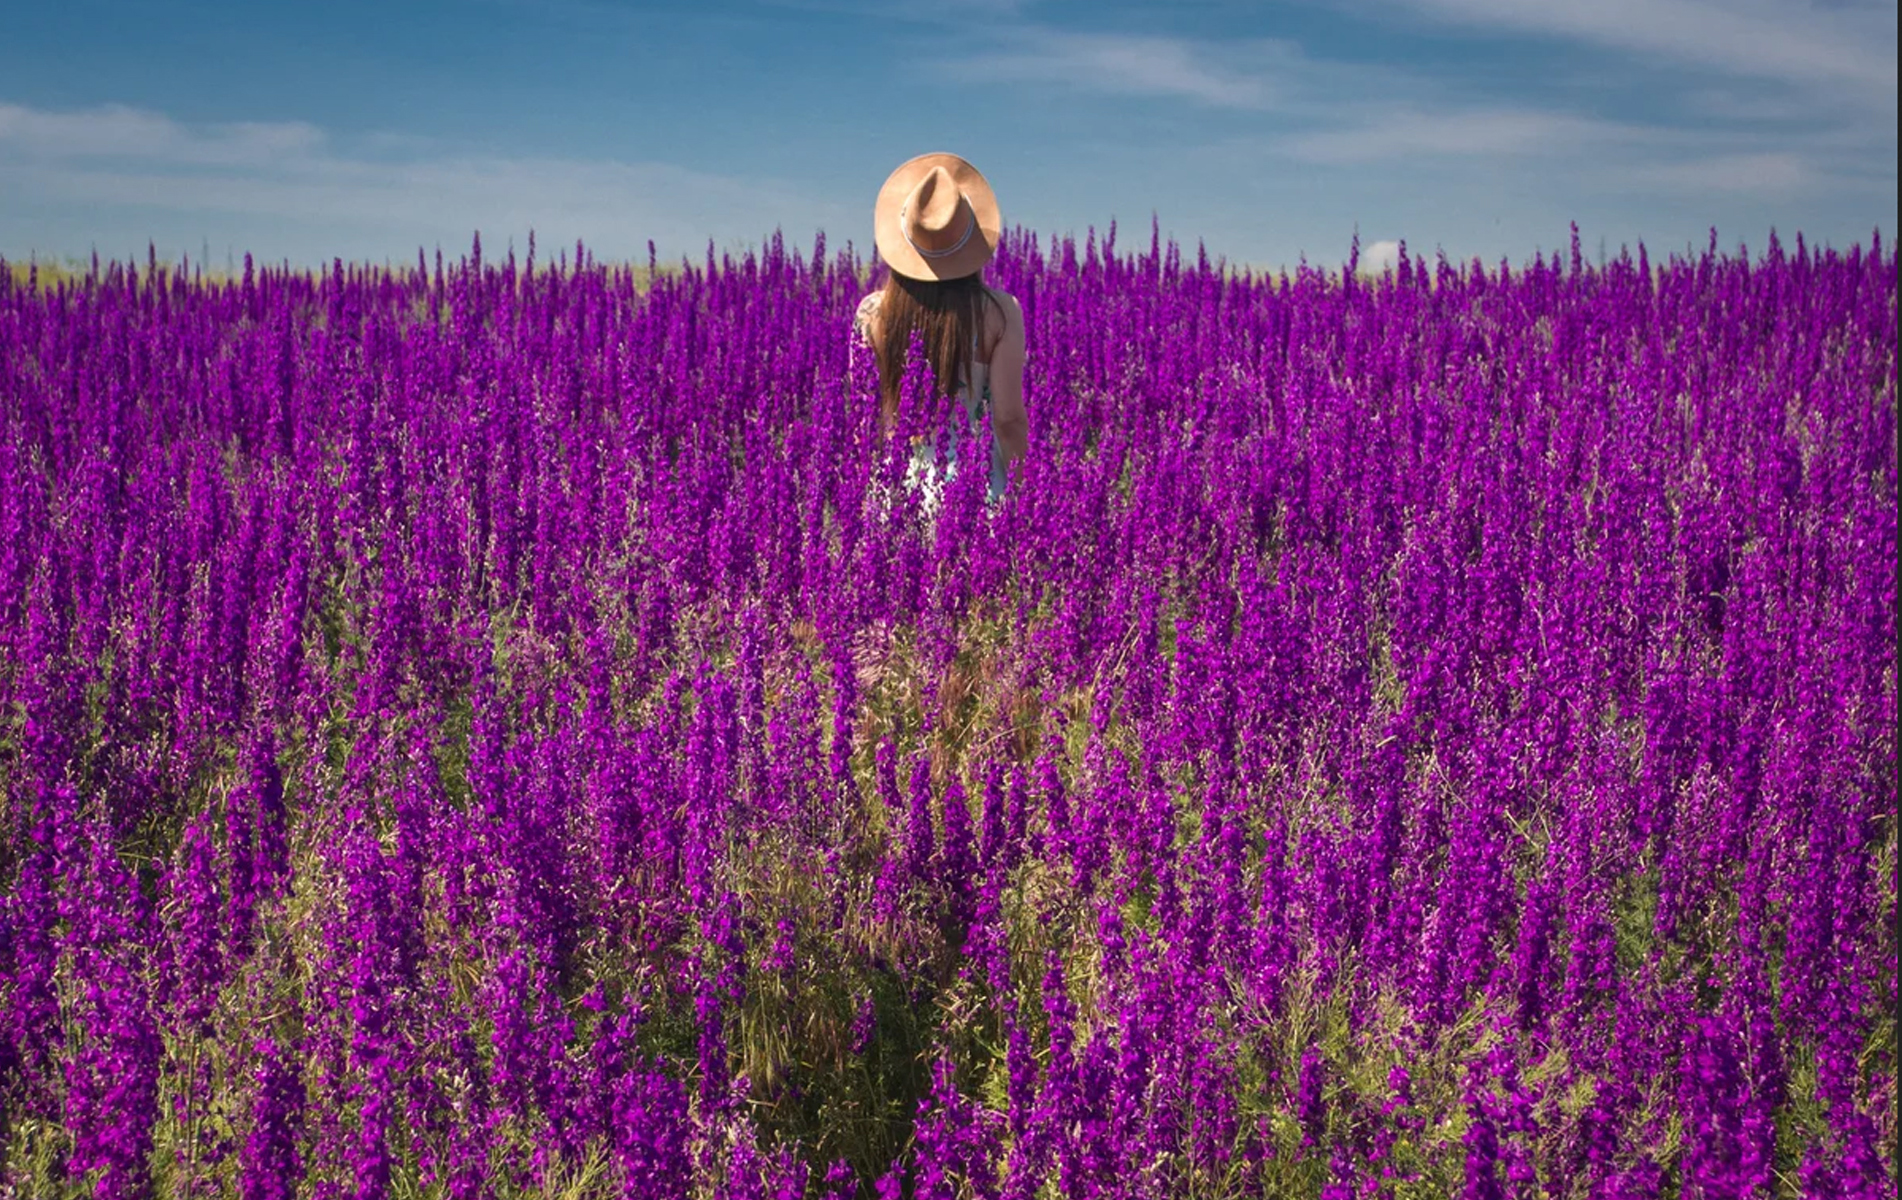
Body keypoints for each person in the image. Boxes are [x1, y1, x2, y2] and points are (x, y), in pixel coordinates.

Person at [853, 152, 1028, 511]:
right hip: (975, 495)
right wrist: (1028, 489)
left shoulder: (871, 313)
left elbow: (863, 420)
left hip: (896, 493)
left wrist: (862, 495)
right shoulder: (1000, 311)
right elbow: (1009, 419)